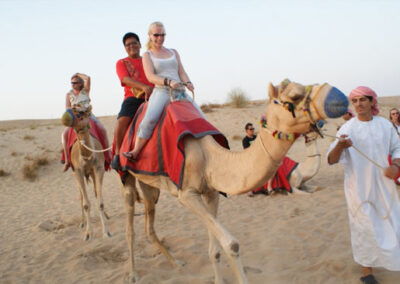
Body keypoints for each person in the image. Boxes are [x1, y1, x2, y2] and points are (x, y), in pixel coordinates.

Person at [327, 86, 400, 284]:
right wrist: (341, 145)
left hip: (384, 186)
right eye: (355, 101)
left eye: (362, 100)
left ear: (372, 102)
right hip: (358, 188)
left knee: (391, 220)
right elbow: (332, 159)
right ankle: (366, 269)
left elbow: (397, 148)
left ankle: (392, 260)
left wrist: (395, 164)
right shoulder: (347, 128)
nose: (358, 104)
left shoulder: (385, 125)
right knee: (363, 226)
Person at [123, 21, 203, 161]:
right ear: (150, 36)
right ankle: (135, 151)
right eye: (156, 35)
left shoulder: (173, 52)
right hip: (162, 91)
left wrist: (189, 82)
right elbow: (150, 76)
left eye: (162, 34)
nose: (160, 38)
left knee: (200, 115)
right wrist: (168, 82)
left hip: (180, 91)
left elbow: (181, 72)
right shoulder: (148, 55)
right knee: (150, 119)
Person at [112, 32, 154, 170]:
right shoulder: (122, 63)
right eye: (128, 44)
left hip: (154, 96)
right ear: (125, 48)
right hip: (133, 98)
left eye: (134, 43)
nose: (132, 46)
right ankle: (118, 154)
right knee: (122, 121)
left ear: (140, 45)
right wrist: (143, 86)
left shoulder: (149, 59)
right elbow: (125, 79)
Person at [61, 73, 109, 171]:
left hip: (88, 115)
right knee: (64, 134)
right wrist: (74, 111)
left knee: (103, 130)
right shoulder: (68, 94)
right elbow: (67, 107)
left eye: (75, 82)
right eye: (72, 82)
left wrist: (78, 74)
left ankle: (109, 156)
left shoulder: (85, 91)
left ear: (80, 83)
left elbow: (88, 78)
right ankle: (67, 160)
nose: (73, 84)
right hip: (75, 116)